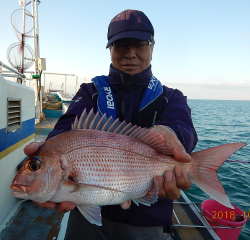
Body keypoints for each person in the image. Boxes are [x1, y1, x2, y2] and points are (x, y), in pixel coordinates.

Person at [24, 9, 197, 240]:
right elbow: (66, 126)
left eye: (140, 44)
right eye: (121, 45)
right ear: (110, 50)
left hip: (147, 219)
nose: (130, 53)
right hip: (87, 219)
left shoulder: (171, 97)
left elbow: (182, 125)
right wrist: (53, 148)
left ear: (152, 48)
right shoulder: (90, 92)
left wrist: (171, 134)